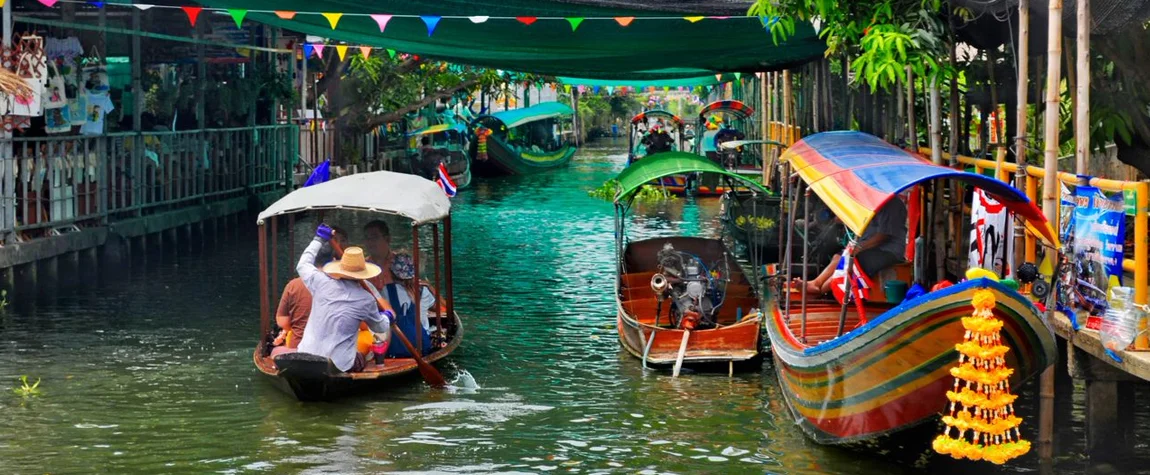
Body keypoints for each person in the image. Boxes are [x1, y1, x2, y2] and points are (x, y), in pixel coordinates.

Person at [294, 224, 394, 373]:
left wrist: (318, 239)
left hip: (306, 356)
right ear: (363, 274)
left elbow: (302, 265)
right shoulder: (366, 299)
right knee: (361, 357)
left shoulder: (321, 282)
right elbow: (380, 327)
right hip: (340, 366)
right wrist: (388, 317)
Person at [795, 197, 909, 296]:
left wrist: (859, 247)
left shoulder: (892, 204)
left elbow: (883, 236)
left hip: (887, 251)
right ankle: (816, 283)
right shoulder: (871, 202)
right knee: (838, 257)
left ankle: (820, 291)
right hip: (869, 247)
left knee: (850, 262)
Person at [270, 226, 346, 356]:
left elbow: (282, 322)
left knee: (276, 351)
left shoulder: (293, 285)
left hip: (298, 348)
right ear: (333, 259)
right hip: (331, 351)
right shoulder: (343, 284)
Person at [383, 253, 436, 357]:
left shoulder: (385, 291)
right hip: (421, 347)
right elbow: (438, 308)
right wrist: (429, 286)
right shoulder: (422, 290)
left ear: (391, 272)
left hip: (395, 349)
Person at [364, 220, 396, 290]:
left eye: (374, 237)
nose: (370, 241)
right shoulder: (362, 266)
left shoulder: (401, 263)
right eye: (367, 238)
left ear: (387, 239)